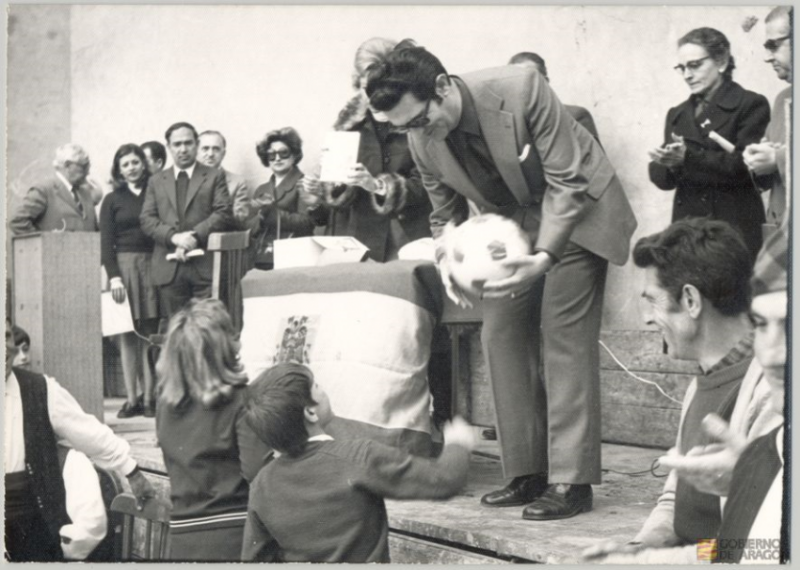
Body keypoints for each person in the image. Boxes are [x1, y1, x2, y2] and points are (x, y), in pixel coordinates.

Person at [365, 42, 637, 520]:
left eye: (421, 120)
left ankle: (571, 480)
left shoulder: (522, 88)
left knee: (563, 335)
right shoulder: (419, 136)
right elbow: (444, 215)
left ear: (443, 87)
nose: (416, 134)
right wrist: (448, 260)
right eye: (404, 128)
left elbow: (567, 180)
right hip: (514, 226)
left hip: (579, 210)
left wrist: (545, 255)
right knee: (500, 333)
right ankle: (527, 471)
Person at [583, 222, 788, 565]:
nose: (647, 319)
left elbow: (763, 548)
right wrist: (641, 547)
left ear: (691, 300)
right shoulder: (701, 383)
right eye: (764, 324)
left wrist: (653, 562)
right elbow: (673, 499)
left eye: (652, 301)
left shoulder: (773, 390)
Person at [241, 362, 475, 562]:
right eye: (317, 386)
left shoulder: (261, 485)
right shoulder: (359, 456)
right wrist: (458, 444)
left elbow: (255, 559)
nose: (323, 389)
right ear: (310, 412)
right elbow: (446, 480)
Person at [5, 319, 155, 562]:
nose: (5, 347)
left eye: (7, 336)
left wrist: (131, 470)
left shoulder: (41, 390)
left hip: (29, 527)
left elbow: (89, 432)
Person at [155, 298, 272, 561]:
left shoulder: (165, 404)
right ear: (223, 348)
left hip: (182, 538)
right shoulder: (241, 400)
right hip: (235, 537)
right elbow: (260, 474)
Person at [301, 37, 433, 262]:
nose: (372, 96)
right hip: (357, 242)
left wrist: (377, 186)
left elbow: (429, 185)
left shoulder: (416, 123)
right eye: (365, 88)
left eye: (379, 87)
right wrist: (321, 189)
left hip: (405, 241)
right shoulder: (347, 126)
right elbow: (336, 202)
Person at [648, 27, 770, 262]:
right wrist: (668, 164)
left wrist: (687, 158)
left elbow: (749, 168)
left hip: (733, 229)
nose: (687, 75)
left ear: (721, 62)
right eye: (682, 68)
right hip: (687, 230)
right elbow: (662, 180)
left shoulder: (750, 104)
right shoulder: (677, 113)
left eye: (694, 65)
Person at [139, 122, 233, 317]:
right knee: (176, 327)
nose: (183, 149)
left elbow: (223, 213)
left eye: (188, 143)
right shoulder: (156, 181)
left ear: (196, 144)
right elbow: (147, 219)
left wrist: (193, 237)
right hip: (169, 267)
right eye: (177, 144)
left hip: (205, 266)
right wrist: (174, 238)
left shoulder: (214, 176)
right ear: (169, 147)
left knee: (207, 325)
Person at [100, 143, 161, 418]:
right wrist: (114, 277)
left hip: (152, 265)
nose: (131, 168)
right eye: (125, 164)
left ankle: (150, 398)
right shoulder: (112, 200)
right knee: (126, 333)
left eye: (135, 162)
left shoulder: (156, 193)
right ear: (119, 170)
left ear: (143, 164)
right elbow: (106, 244)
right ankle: (132, 399)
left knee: (149, 333)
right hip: (123, 269)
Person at [743, 6, 792, 231]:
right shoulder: (782, 100)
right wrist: (757, 161)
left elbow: (779, 159)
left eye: (774, 45)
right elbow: (769, 174)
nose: (767, 57)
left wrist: (778, 159)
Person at [242, 127, 318, 270]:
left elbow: (308, 222)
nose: (277, 158)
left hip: (296, 257)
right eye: (271, 155)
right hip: (263, 256)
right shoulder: (261, 189)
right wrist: (260, 218)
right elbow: (249, 227)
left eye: (283, 153)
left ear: (294, 155)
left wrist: (272, 214)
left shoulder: (304, 184)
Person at [508, 51, 601, 141]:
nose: (520, 85)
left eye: (529, 78)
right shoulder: (506, 121)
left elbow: (592, 152)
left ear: (545, 82)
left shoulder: (575, 116)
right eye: (513, 79)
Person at [10, 143, 98, 235]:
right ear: (67, 165)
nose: (88, 172)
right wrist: (45, 241)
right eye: (84, 166)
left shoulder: (86, 194)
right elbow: (18, 221)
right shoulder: (43, 191)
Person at [197, 130, 251, 222]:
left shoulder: (237, 182)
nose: (210, 154)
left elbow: (240, 218)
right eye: (205, 149)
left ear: (223, 153)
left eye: (216, 149)